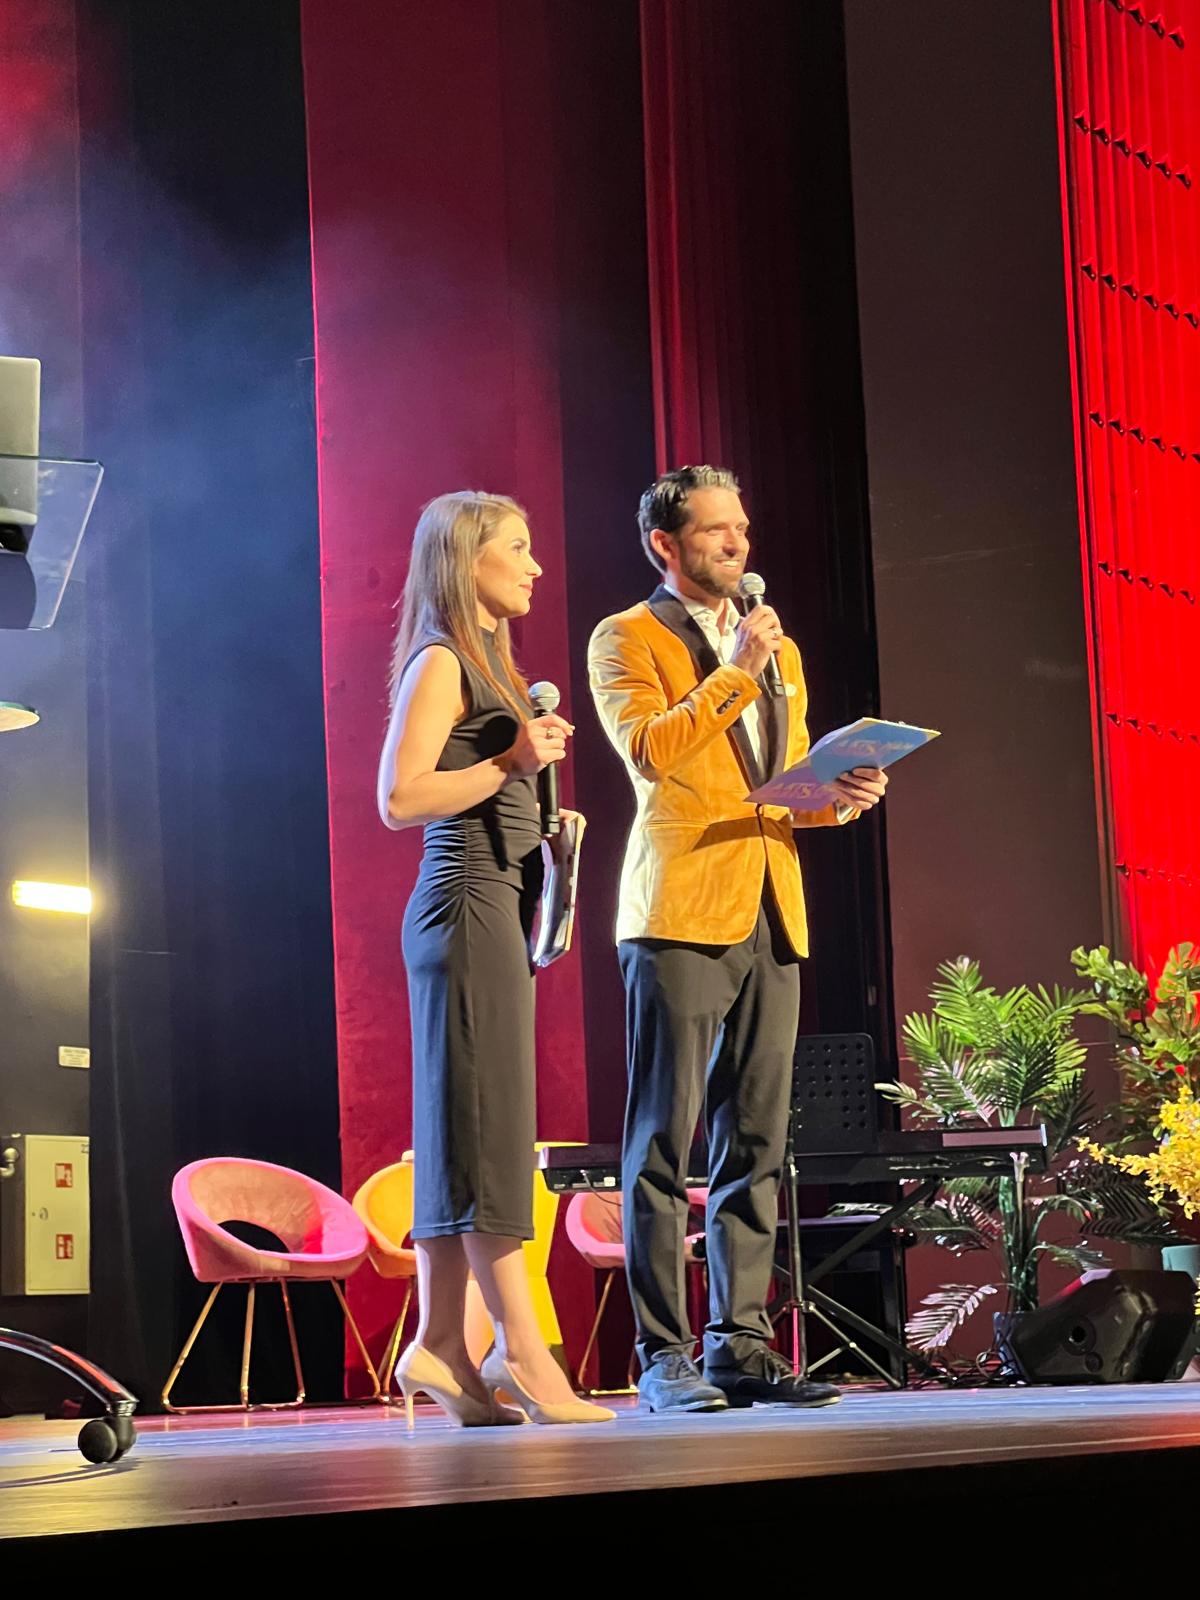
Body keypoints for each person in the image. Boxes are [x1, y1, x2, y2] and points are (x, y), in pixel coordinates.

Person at [587, 465, 888, 1413]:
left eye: (742, 530)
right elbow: (652, 753)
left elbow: (777, 789)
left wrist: (842, 796)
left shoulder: (777, 647)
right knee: (661, 1140)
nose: (737, 545)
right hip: (678, 909)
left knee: (756, 1140)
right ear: (665, 545)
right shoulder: (626, 637)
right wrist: (737, 672)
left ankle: (741, 1346)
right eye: (716, 531)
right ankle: (661, 1355)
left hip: (770, 907)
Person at [378, 490, 613, 1427]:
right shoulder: (442, 660)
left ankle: (440, 1344)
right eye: (517, 548)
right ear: (466, 558)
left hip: (492, 909)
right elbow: (400, 798)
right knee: (491, 1137)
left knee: (464, 1134)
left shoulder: (488, 666)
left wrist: (540, 818)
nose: (535, 566)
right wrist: (511, 766)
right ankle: (522, 1348)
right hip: (465, 905)